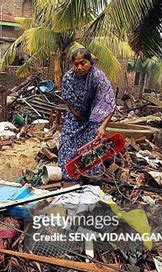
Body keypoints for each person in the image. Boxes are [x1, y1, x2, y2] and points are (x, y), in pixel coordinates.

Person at [58, 48, 116, 180]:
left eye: (83, 63)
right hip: (74, 117)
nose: (79, 67)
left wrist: (103, 127)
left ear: (90, 62)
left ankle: (89, 178)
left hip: (93, 118)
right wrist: (76, 114)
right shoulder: (68, 78)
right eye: (76, 64)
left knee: (91, 148)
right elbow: (66, 98)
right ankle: (68, 178)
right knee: (66, 144)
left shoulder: (98, 77)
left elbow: (109, 103)